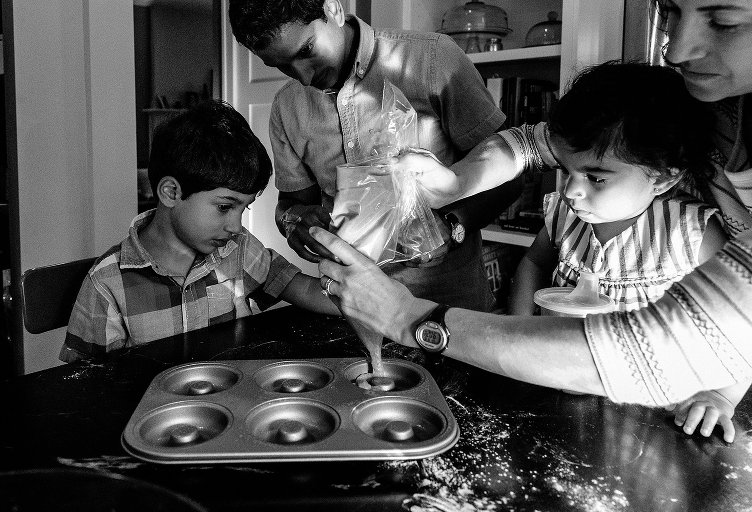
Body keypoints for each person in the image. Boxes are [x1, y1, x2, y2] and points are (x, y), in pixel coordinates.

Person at [310, 0, 752, 444]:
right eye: (670, 13)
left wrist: (723, 396)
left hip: (654, 421)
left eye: (724, 21)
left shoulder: (690, 232)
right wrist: (454, 183)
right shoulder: (607, 167)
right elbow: (529, 150)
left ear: (664, 176)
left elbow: (717, 345)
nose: (674, 50)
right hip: (565, 397)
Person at [228, 0, 521, 313]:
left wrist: (452, 227)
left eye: (306, 50)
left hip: (447, 306)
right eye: (282, 65)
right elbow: (290, 203)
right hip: (346, 308)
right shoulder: (286, 107)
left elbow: (512, 176)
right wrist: (294, 223)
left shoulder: (433, 61)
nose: (303, 76)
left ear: (333, 10)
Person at [61, 100, 340, 362]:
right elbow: (90, 385)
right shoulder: (107, 284)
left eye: (244, 209)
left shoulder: (239, 249)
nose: (236, 226)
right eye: (223, 206)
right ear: (171, 192)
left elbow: (301, 287)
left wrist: (370, 299)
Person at [508, 62, 727, 315]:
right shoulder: (564, 216)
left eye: (596, 178)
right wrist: (520, 326)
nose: (569, 191)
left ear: (661, 179)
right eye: (567, 171)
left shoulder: (691, 232)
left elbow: (726, 309)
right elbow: (534, 262)